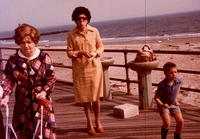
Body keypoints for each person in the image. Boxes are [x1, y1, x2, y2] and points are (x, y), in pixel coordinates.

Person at [0, 24, 56, 139]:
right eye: (23, 42)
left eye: (29, 42)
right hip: (22, 103)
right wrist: (5, 96)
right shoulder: (13, 60)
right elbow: (8, 80)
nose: (26, 46)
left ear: (35, 41)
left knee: (43, 133)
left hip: (41, 101)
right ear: (18, 42)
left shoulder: (44, 58)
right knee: (23, 133)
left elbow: (51, 78)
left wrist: (44, 92)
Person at [67, 6, 104, 135]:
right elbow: (69, 52)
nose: (81, 21)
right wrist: (80, 52)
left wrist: (96, 53)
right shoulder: (71, 34)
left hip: (94, 68)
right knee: (85, 98)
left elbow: (101, 47)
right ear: (75, 20)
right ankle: (89, 123)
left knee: (96, 97)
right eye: (78, 19)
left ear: (87, 19)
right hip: (80, 70)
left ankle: (98, 121)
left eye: (83, 18)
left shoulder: (95, 31)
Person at [154, 62, 184, 139]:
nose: (174, 74)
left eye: (175, 72)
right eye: (171, 73)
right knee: (167, 123)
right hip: (163, 105)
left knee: (180, 121)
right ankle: (163, 137)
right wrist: (162, 105)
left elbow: (176, 90)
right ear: (165, 74)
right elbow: (156, 98)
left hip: (173, 103)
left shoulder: (178, 81)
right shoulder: (162, 85)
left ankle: (177, 136)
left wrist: (175, 99)